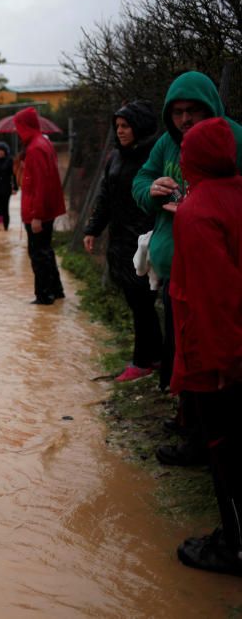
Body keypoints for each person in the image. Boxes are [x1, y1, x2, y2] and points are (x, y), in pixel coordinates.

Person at [131, 71, 242, 464]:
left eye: (192, 110)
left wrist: (198, 205)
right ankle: (190, 423)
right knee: (183, 356)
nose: (184, 119)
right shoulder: (166, 143)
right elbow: (140, 180)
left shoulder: (231, 138)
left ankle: (206, 443)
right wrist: (151, 190)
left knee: (210, 362)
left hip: (212, 279)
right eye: (176, 112)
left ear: (209, 106)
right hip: (175, 274)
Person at [168, 117, 242, 577]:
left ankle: (233, 545)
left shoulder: (198, 214)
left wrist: (223, 366)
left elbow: (216, 298)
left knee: (226, 450)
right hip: (231, 345)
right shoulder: (236, 194)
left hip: (219, 356)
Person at [83, 101, 162, 382]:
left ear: (138, 127)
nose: (120, 132)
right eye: (117, 127)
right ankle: (154, 356)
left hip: (145, 241)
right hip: (120, 241)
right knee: (137, 302)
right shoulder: (115, 158)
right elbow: (105, 197)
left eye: (125, 126)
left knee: (143, 302)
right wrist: (92, 229)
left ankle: (143, 361)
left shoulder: (152, 157)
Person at [16, 106, 66, 304]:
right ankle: (56, 290)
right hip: (44, 210)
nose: (17, 132)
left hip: (37, 212)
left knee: (38, 254)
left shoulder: (36, 148)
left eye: (18, 127)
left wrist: (37, 215)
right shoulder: (41, 143)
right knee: (46, 251)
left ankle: (44, 296)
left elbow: (41, 184)